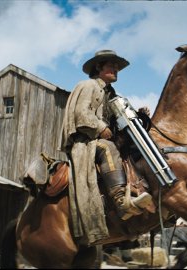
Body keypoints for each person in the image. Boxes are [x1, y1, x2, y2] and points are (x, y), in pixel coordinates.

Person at [60, 50, 153, 244]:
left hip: (103, 140)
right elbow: (80, 113)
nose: (116, 69)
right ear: (98, 68)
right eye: (111, 65)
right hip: (85, 142)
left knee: (137, 149)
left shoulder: (111, 94)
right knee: (108, 148)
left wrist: (139, 114)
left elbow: (119, 120)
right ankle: (121, 202)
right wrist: (101, 127)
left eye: (117, 67)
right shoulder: (87, 85)